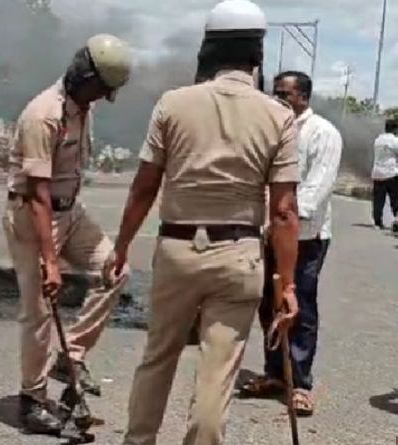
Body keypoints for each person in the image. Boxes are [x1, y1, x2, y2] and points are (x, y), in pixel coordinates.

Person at [105, 2, 301, 444]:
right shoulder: (278, 116)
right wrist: (286, 284)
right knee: (218, 374)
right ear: (258, 52)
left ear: (208, 48)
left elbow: (143, 187)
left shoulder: (173, 104)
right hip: (239, 257)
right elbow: (284, 211)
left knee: (158, 357)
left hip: (176, 251)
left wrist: (120, 247)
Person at [3, 34, 132, 435]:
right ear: (86, 76)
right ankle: (32, 400)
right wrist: (49, 261)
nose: (101, 98)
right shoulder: (43, 114)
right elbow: (38, 196)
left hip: (70, 210)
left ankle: (70, 355)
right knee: (40, 311)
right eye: (101, 89)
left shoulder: (81, 108)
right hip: (33, 214)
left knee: (115, 269)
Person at [240, 71, 342, 417]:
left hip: (305, 237)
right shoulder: (270, 129)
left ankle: (299, 382)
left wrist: (286, 219)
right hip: (269, 232)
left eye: (285, 94)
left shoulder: (323, 133)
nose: (277, 98)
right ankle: (275, 373)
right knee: (268, 303)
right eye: (275, 92)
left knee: (300, 306)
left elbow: (317, 188)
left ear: (304, 97)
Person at [370, 118, 398, 231]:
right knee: (395, 199)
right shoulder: (395, 141)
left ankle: (377, 222)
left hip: (377, 173)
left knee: (378, 200)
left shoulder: (378, 140)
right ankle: (397, 219)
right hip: (391, 173)